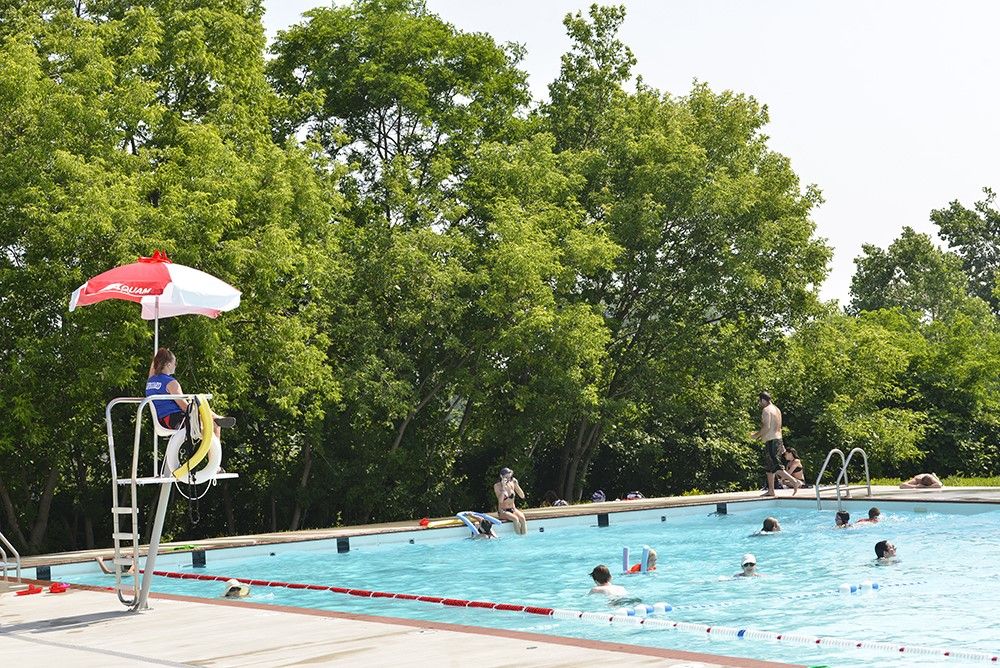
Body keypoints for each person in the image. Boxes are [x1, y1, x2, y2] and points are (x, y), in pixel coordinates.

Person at [146, 348, 235, 441]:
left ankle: (215, 416)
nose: (175, 366)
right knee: (213, 424)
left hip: (162, 421)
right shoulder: (171, 383)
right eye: (174, 363)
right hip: (176, 420)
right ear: (168, 365)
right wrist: (203, 413)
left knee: (208, 418)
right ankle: (215, 420)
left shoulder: (151, 381)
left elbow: (153, 367)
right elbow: (185, 407)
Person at [751, 392, 803, 496]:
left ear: (763, 400)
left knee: (776, 466)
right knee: (769, 467)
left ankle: (795, 482)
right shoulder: (777, 410)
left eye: (759, 401)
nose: (759, 403)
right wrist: (781, 444)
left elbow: (766, 427)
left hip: (772, 441)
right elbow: (779, 427)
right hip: (778, 440)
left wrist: (755, 436)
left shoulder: (766, 410)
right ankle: (771, 491)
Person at [494, 467, 527, 534]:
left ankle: (524, 538)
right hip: (503, 511)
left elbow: (522, 496)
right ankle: (518, 538)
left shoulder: (512, 483)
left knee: (522, 518)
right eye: (506, 477)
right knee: (515, 519)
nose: (508, 479)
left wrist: (517, 485)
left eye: (509, 477)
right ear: (501, 476)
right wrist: (503, 488)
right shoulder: (497, 486)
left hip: (513, 509)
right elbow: (500, 501)